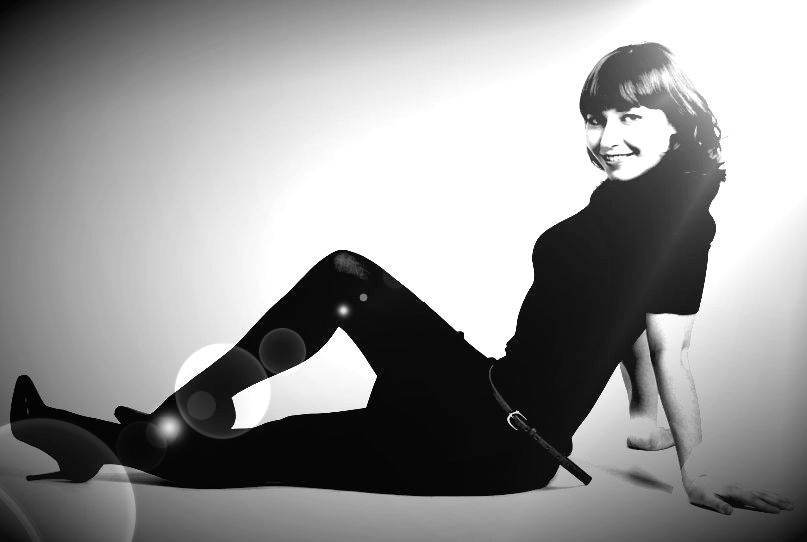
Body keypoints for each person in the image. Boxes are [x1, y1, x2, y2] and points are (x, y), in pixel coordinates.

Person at [10, 42, 793, 514]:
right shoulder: (621, 204)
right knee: (343, 280)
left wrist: (694, 468)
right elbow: (622, 319)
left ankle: (122, 436)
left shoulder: (680, 223)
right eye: (596, 118)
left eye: (630, 117)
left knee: (258, 451)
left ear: (677, 122)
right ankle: (135, 433)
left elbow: (668, 346)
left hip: (494, 446)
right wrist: (642, 415)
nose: (606, 136)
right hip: (477, 391)